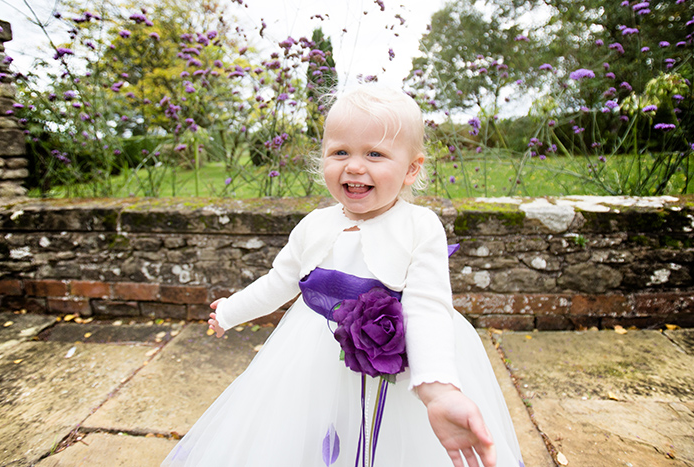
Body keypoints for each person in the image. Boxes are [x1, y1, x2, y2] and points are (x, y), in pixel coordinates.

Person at [162, 85, 524, 467]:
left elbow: (428, 307)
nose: (354, 166)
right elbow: (279, 280)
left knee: (389, 446)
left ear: (411, 168)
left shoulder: (419, 226)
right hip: (315, 355)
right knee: (319, 437)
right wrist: (231, 311)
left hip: (399, 365)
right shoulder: (314, 225)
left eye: (375, 154)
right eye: (340, 152)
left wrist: (438, 392)